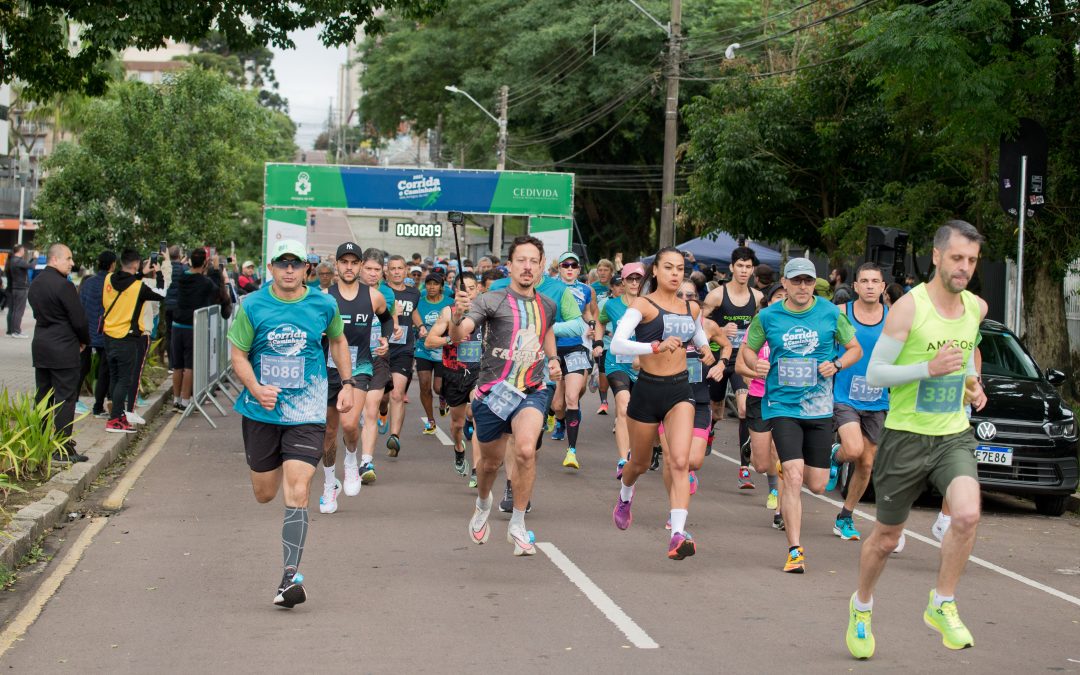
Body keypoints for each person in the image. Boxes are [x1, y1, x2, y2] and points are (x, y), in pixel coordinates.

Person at [845, 221, 987, 659]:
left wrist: (973, 383)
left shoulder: (976, 308)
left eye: (972, 260)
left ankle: (942, 602)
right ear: (938, 256)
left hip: (951, 435)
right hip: (906, 437)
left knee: (966, 515)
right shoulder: (910, 307)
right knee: (886, 538)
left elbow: (964, 358)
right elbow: (876, 373)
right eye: (958, 258)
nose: (964, 268)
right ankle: (862, 606)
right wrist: (927, 369)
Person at [227, 239, 354, 608]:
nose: (288, 270)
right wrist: (255, 386)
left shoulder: (323, 304)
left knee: (298, 490)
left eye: (295, 264)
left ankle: (289, 578)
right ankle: (276, 463)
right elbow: (238, 354)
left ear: (306, 270)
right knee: (265, 492)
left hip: (307, 412)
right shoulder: (253, 306)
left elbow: (338, 341)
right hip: (261, 411)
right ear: (271, 268)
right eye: (282, 264)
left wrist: (346, 384)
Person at [739, 257, 861, 573]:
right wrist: (757, 365)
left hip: (819, 409)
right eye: (797, 281)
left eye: (808, 281)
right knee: (792, 475)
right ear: (786, 283)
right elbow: (748, 351)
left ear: (814, 284)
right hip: (782, 406)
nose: (803, 286)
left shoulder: (831, 313)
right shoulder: (767, 316)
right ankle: (795, 550)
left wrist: (836, 365)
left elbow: (854, 349)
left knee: (818, 485)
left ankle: (833, 456)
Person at [453, 235, 561, 557]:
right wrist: (459, 317)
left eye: (534, 261)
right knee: (490, 464)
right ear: (510, 265)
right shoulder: (491, 300)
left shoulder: (548, 305)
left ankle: (517, 522)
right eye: (521, 261)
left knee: (526, 450)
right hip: (492, 393)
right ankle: (483, 504)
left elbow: (547, 332)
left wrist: (553, 360)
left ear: (541, 266)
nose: (527, 267)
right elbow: (462, 334)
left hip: (532, 389)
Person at [610, 249, 714, 559]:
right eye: (667, 267)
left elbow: (697, 334)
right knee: (639, 464)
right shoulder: (643, 305)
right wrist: (653, 346)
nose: (674, 273)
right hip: (647, 392)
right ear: (655, 271)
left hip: (680, 392)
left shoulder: (691, 308)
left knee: (679, 461)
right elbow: (617, 343)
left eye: (679, 269)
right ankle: (626, 494)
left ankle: (678, 534)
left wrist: (706, 349)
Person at [319, 242, 393, 513]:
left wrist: (384, 338)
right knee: (329, 431)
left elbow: (386, 319)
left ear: (360, 265)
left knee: (350, 425)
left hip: (360, 367)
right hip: (328, 368)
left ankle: (351, 461)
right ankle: (329, 485)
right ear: (336, 265)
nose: (349, 267)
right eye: (344, 262)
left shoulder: (373, 297)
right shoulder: (325, 297)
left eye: (354, 262)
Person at [657, 279, 731, 517]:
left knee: (694, 461)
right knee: (671, 458)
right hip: (667, 398)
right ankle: (675, 509)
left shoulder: (707, 325)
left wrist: (721, 364)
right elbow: (641, 357)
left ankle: (686, 475)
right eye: (680, 295)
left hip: (698, 398)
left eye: (690, 295)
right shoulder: (660, 323)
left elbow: (727, 346)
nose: (685, 300)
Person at [826, 263, 889, 542]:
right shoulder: (841, 313)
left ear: (883, 287)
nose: (870, 286)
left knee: (866, 463)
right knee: (853, 449)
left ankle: (845, 516)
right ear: (856, 286)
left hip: (878, 397)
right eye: (865, 281)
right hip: (844, 395)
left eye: (875, 281)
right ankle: (836, 454)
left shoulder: (894, 318)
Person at [701, 247, 763, 486]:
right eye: (740, 266)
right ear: (732, 267)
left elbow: (763, 326)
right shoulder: (717, 296)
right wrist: (719, 331)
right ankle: (711, 428)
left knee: (744, 408)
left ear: (752, 269)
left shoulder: (758, 298)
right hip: (718, 359)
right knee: (716, 410)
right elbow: (700, 324)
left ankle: (744, 468)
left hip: (741, 361)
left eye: (748, 267)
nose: (744, 271)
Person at [28, 244, 90, 462]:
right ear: (54, 259)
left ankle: (40, 443)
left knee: (43, 397)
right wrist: (84, 341)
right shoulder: (64, 286)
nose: (72, 263)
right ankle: (62, 449)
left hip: (42, 347)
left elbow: (38, 314)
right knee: (65, 398)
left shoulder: (35, 283)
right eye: (69, 259)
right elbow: (79, 320)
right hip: (63, 348)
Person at [736, 283, 787, 528]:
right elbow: (739, 367)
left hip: (786, 400)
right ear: (768, 302)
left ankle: (780, 510)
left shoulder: (798, 331)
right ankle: (751, 447)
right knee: (761, 464)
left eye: (785, 297)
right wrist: (756, 371)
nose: (782, 301)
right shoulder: (759, 327)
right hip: (759, 398)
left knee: (783, 453)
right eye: (778, 297)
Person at [101, 250, 165, 433]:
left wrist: (140, 273)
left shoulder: (108, 279)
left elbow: (125, 280)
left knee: (115, 377)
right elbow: (161, 293)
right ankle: (115, 421)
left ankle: (118, 415)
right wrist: (158, 272)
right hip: (126, 337)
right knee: (124, 380)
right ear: (136, 264)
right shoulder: (138, 288)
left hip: (109, 335)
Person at [426, 271, 482, 478]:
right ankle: (459, 448)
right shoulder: (448, 312)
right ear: (456, 292)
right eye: (463, 288)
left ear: (478, 289)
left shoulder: (486, 311)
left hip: (479, 373)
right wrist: (451, 339)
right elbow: (429, 341)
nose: (468, 292)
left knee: (478, 418)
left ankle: (477, 469)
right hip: (453, 373)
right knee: (457, 425)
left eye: (472, 287)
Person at [550, 251, 596, 469]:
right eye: (565, 265)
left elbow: (587, 312)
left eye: (573, 265)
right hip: (552, 348)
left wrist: (592, 324)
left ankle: (572, 451)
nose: (569, 268)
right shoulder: (550, 287)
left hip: (576, 346)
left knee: (572, 397)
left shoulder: (586, 290)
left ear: (578, 269)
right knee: (557, 404)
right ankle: (560, 420)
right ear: (559, 268)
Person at [595, 269, 639, 476]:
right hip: (617, 363)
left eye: (638, 278)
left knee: (642, 414)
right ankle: (623, 459)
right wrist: (597, 341)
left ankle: (645, 450)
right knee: (623, 406)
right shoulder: (611, 305)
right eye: (630, 278)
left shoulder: (649, 304)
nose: (634, 282)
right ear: (623, 281)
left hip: (643, 366)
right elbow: (600, 321)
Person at [170, 247, 220, 411]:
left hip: (177, 325)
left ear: (190, 261)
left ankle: (176, 399)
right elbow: (217, 291)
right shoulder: (205, 282)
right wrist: (216, 269)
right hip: (192, 327)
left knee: (177, 366)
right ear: (205, 262)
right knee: (189, 366)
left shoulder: (182, 278)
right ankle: (185, 402)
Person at [383, 255, 423, 456]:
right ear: (386, 271)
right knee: (382, 396)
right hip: (381, 348)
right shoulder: (380, 292)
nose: (397, 272)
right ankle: (383, 411)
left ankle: (394, 437)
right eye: (393, 268)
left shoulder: (413, 293)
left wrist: (421, 325)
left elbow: (413, 311)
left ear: (405, 270)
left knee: (397, 394)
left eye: (400, 268)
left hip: (404, 349)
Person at [413, 272, 453, 434]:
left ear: (441, 287)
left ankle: (443, 399)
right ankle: (430, 421)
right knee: (424, 385)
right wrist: (419, 328)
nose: (431, 287)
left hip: (443, 351)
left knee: (438, 387)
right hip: (423, 350)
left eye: (435, 284)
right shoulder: (420, 303)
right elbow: (413, 320)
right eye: (428, 283)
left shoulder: (450, 303)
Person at [78, 251, 115, 418]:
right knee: (104, 370)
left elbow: (80, 305)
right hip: (105, 332)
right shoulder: (112, 283)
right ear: (112, 264)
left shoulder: (88, 282)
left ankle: (73, 400)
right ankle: (98, 406)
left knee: (82, 367)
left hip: (86, 331)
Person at [590, 258, 616, 413]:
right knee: (602, 370)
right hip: (601, 333)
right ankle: (604, 402)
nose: (602, 273)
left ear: (611, 272)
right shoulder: (592, 288)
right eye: (600, 270)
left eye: (606, 270)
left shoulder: (619, 287)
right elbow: (591, 310)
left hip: (616, 333)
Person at [6, 244, 34, 338]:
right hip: (21, 288)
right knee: (19, 311)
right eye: (23, 250)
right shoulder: (18, 261)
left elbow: (27, 265)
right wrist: (35, 258)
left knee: (14, 310)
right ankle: (16, 331)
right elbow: (32, 266)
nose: (24, 251)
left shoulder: (13, 260)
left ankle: (13, 331)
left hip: (15, 288)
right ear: (20, 250)